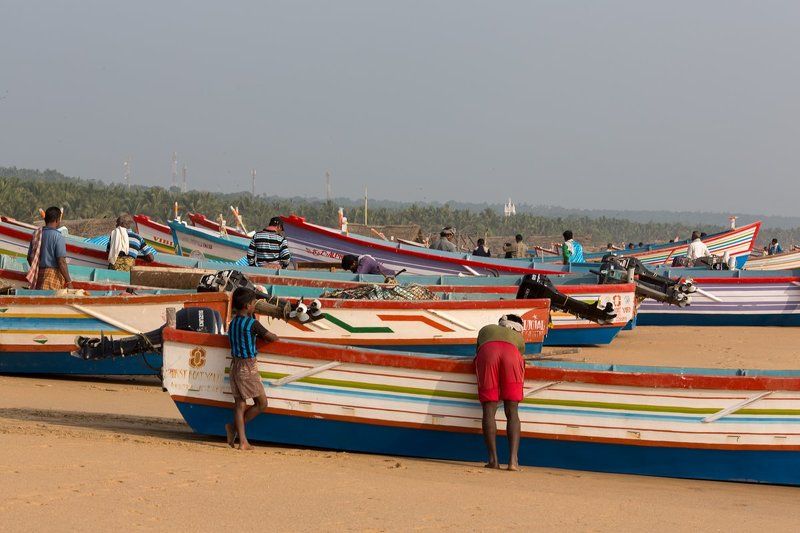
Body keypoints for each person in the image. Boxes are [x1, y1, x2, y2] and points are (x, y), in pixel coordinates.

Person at [225, 287, 279, 450]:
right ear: (248, 305)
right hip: (247, 366)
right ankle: (236, 432)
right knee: (261, 403)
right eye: (254, 303)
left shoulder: (233, 322)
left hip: (235, 365)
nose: (255, 305)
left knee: (240, 404)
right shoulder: (252, 324)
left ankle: (241, 439)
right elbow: (271, 337)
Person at [474, 314, 526, 471]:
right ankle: (513, 462)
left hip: (488, 353)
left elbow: (477, 352)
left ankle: (493, 461)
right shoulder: (518, 338)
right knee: (512, 411)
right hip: (512, 356)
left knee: (489, 410)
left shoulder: (486, 329)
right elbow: (520, 356)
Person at [26, 206, 72, 290]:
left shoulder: (36, 234)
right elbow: (61, 261)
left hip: (38, 275)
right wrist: (69, 282)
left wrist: (37, 270)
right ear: (57, 220)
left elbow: (29, 258)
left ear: (45, 219)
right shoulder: (58, 237)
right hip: (52, 277)